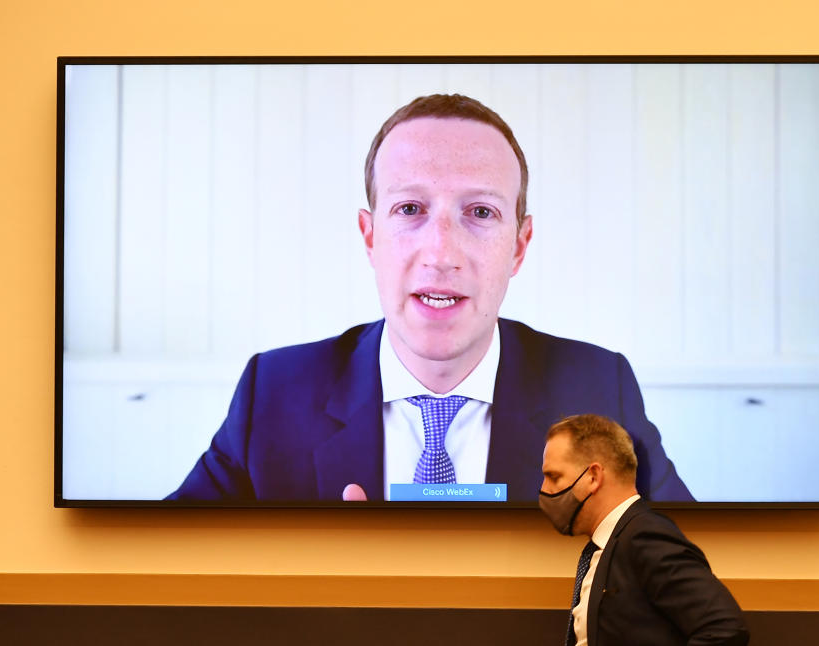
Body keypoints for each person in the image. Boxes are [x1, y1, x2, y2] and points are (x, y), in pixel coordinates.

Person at [168, 94, 692, 503]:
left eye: (480, 213)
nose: (441, 252)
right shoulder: (275, 394)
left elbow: (692, 572)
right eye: (411, 209)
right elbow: (161, 564)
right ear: (369, 237)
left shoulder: (600, 392)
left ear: (520, 245)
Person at [539, 414, 748, 645]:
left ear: (593, 476)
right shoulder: (608, 544)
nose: (544, 489)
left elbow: (724, 628)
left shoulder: (645, 536)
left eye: (554, 477)